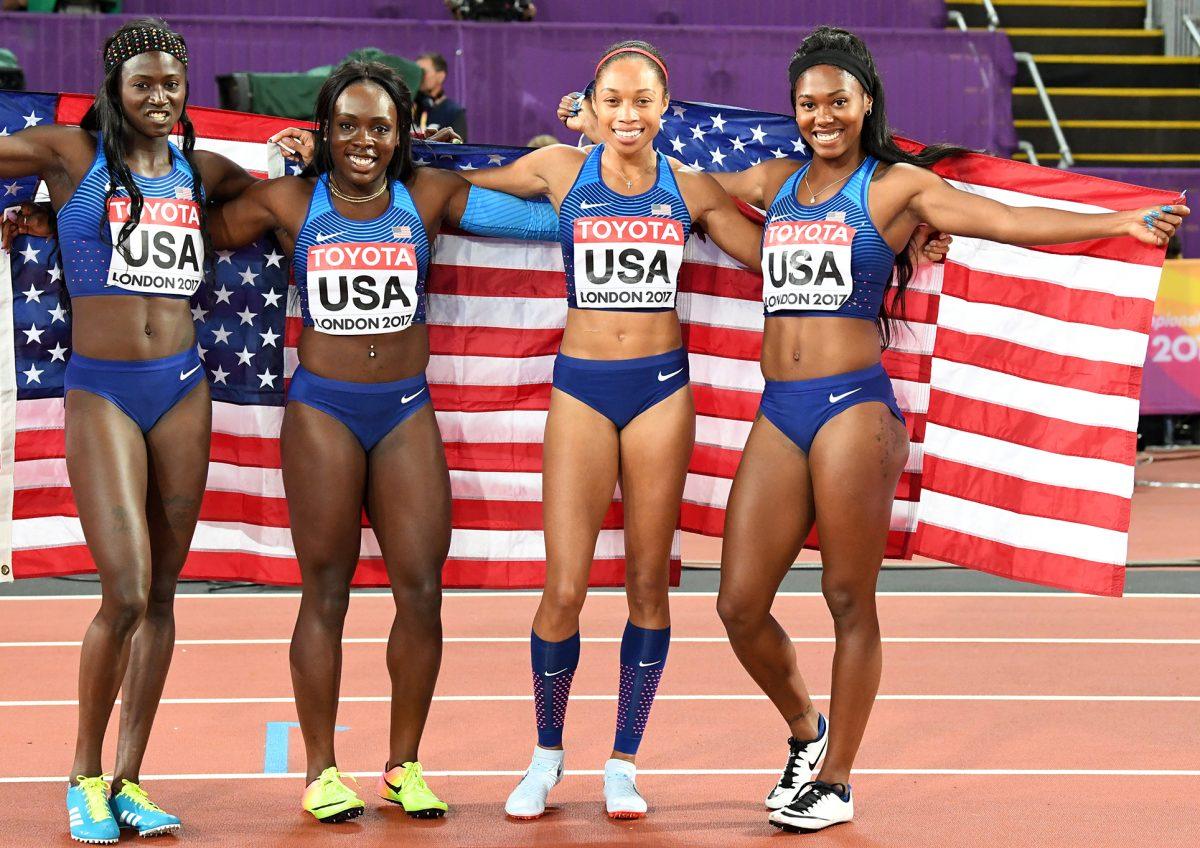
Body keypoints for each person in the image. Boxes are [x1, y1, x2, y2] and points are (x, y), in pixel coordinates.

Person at [593, 26, 1181, 834]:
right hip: (779, 409)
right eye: (808, 103)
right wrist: (606, 130)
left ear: (864, 101)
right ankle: (808, 731)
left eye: (838, 100)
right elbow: (679, 181)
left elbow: (998, 219)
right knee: (736, 604)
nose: (822, 115)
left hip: (854, 409)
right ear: (793, 111)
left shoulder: (895, 186)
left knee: (845, 596)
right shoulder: (775, 178)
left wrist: (1116, 226)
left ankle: (835, 782)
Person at [208, 59, 560, 825]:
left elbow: (540, 220)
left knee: (422, 590)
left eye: (379, 126)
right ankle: (321, 770)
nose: (362, 141)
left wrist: (625, 191)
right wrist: (270, 156)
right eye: (346, 125)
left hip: (403, 411)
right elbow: (190, 226)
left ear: (402, 133)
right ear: (324, 129)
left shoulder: (424, 195)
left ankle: (404, 766)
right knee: (325, 592)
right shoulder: (290, 201)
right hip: (324, 413)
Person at [456, 39, 766, 821]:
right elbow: (450, 187)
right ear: (592, 106)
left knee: (646, 584)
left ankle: (623, 761)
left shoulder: (689, 187)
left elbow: (772, 254)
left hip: (661, 393)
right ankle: (546, 755)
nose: (629, 114)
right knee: (563, 588)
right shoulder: (562, 170)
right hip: (583, 392)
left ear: (666, 108)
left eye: (643, 101)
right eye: (614, 100)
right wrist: (322, 159)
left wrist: (891, 240)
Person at [0, 17, 266, 843]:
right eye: (143, 83)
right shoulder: (67, 156)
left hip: (184, 387)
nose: (160, 96)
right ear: (113, 89)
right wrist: (29, 215)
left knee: (160, 593)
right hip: (104, 392)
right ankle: (81, 776)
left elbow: (287, 182)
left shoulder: (203, 169)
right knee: (121, 590)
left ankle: (130, 779)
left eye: (172, 83)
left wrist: (296, 145)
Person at [414, 52, 468, 141]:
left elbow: (458, 150)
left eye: (423, 72)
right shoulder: (408, 108)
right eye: (416, 72)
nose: (419, 77)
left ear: (440, 76)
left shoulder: (453, 113)